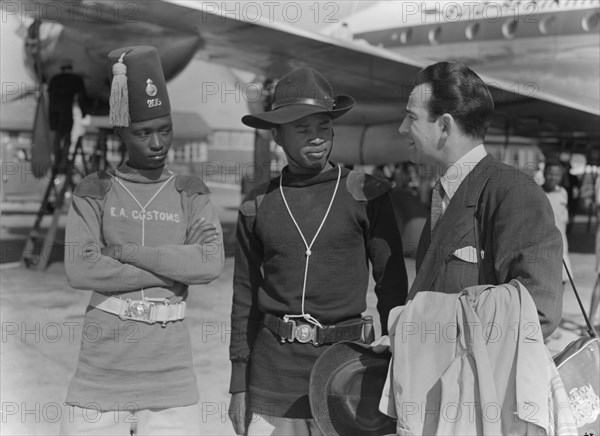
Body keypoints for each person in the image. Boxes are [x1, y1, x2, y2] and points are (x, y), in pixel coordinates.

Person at [228, 67, 408, 435]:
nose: (316, 138)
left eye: (323, 126)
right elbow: (244, 296)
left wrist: (398, 358)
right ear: (276, 134)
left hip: (347, 369)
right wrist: (238, 383)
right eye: (302, 128)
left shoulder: (366, 191)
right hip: (273, 375)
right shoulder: (258, 203)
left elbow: (392, 286)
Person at [60, 46, 224, 435]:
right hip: (100, 378)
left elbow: (209, 263)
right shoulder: (95, 188)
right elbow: (80, 267)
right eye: (143, 133)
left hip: (171, 382)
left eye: (164, 130)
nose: (157, 143)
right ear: (121, 132)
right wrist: (172, 268)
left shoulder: (190, 191)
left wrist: (129, 253)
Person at [398, 61, 563, 339]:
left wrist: (429, 332)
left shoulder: (513, 192)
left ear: (444, 126)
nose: (403, 128)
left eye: (411, 117)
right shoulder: (445, 193)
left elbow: (538, 309)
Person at [48, 60, 87, 167]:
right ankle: (64, 162)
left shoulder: (54, 78)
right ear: (71, 68)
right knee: (66, 136)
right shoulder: (76, 79)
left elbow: (49, 95)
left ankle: (56, 161)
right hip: (65, 110)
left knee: (57, 136)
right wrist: (84, 112)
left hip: (53, 111)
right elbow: (80, 97)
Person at [542, 160, 572, 283]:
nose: (553, 177)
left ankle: (559, 303)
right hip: (542, 243)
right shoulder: (537, 192)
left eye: (557, 175)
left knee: (563, 278)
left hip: (561, 242)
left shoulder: (563, 193)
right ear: (544, 173)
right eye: (550, 174)